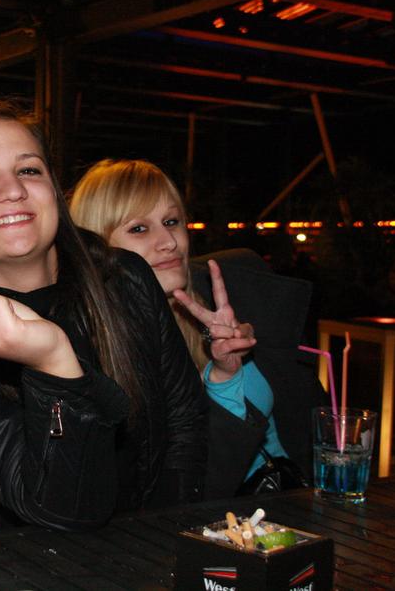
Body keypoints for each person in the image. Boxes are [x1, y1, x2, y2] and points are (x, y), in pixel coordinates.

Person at [0, 103, 207, 531]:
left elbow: (184, 425)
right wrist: (52, 364)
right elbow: (61, 508)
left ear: (54, 189)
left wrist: (169, 533)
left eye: (29, 170)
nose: (13, 190)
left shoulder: (125, 277)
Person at [70, 158, 325, 499]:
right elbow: (184, 489)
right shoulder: (91, 354)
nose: (169, 241)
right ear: (96, 247)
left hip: (293, 503)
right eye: (139, 228)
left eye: (171, 221)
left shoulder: (230, 304)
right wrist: (224, 378)